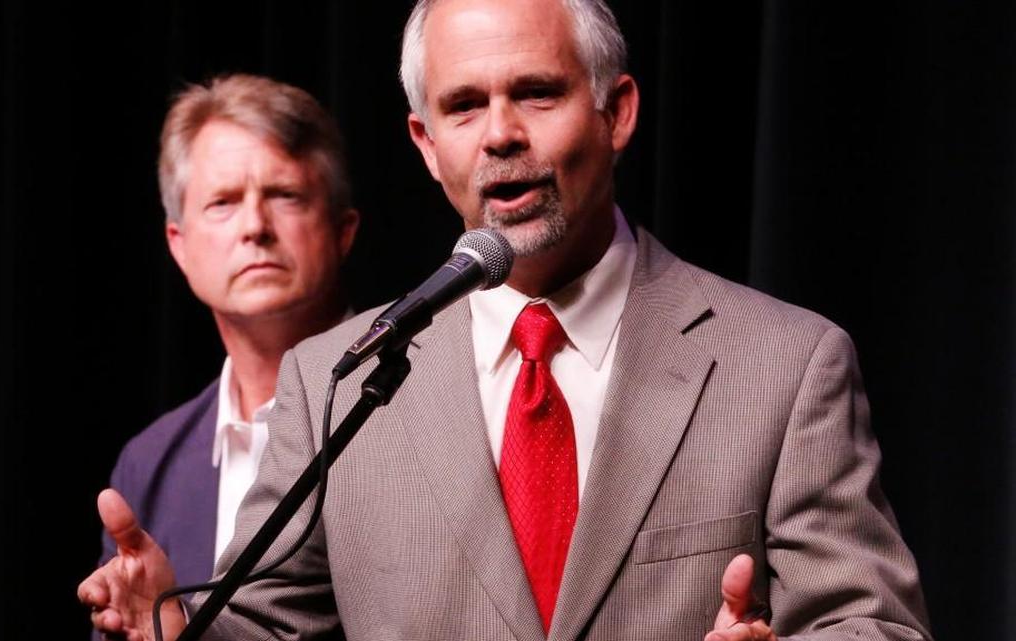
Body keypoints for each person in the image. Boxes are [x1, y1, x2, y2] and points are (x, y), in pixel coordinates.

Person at [79, 1, 933, 640]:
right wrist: (170, 621)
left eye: (536, 92)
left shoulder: (785, 364)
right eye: (463, 106)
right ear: (424, 141)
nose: (500, 134)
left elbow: (877, 623)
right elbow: (267, 627)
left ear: (618, 111)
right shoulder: (333, 377)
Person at [81, 73, 359, 636]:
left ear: (341, 230)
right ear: (178, 246)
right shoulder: (148, 463)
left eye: (284, 195)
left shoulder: (420, 405)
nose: (255, 227)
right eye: (223, 202)